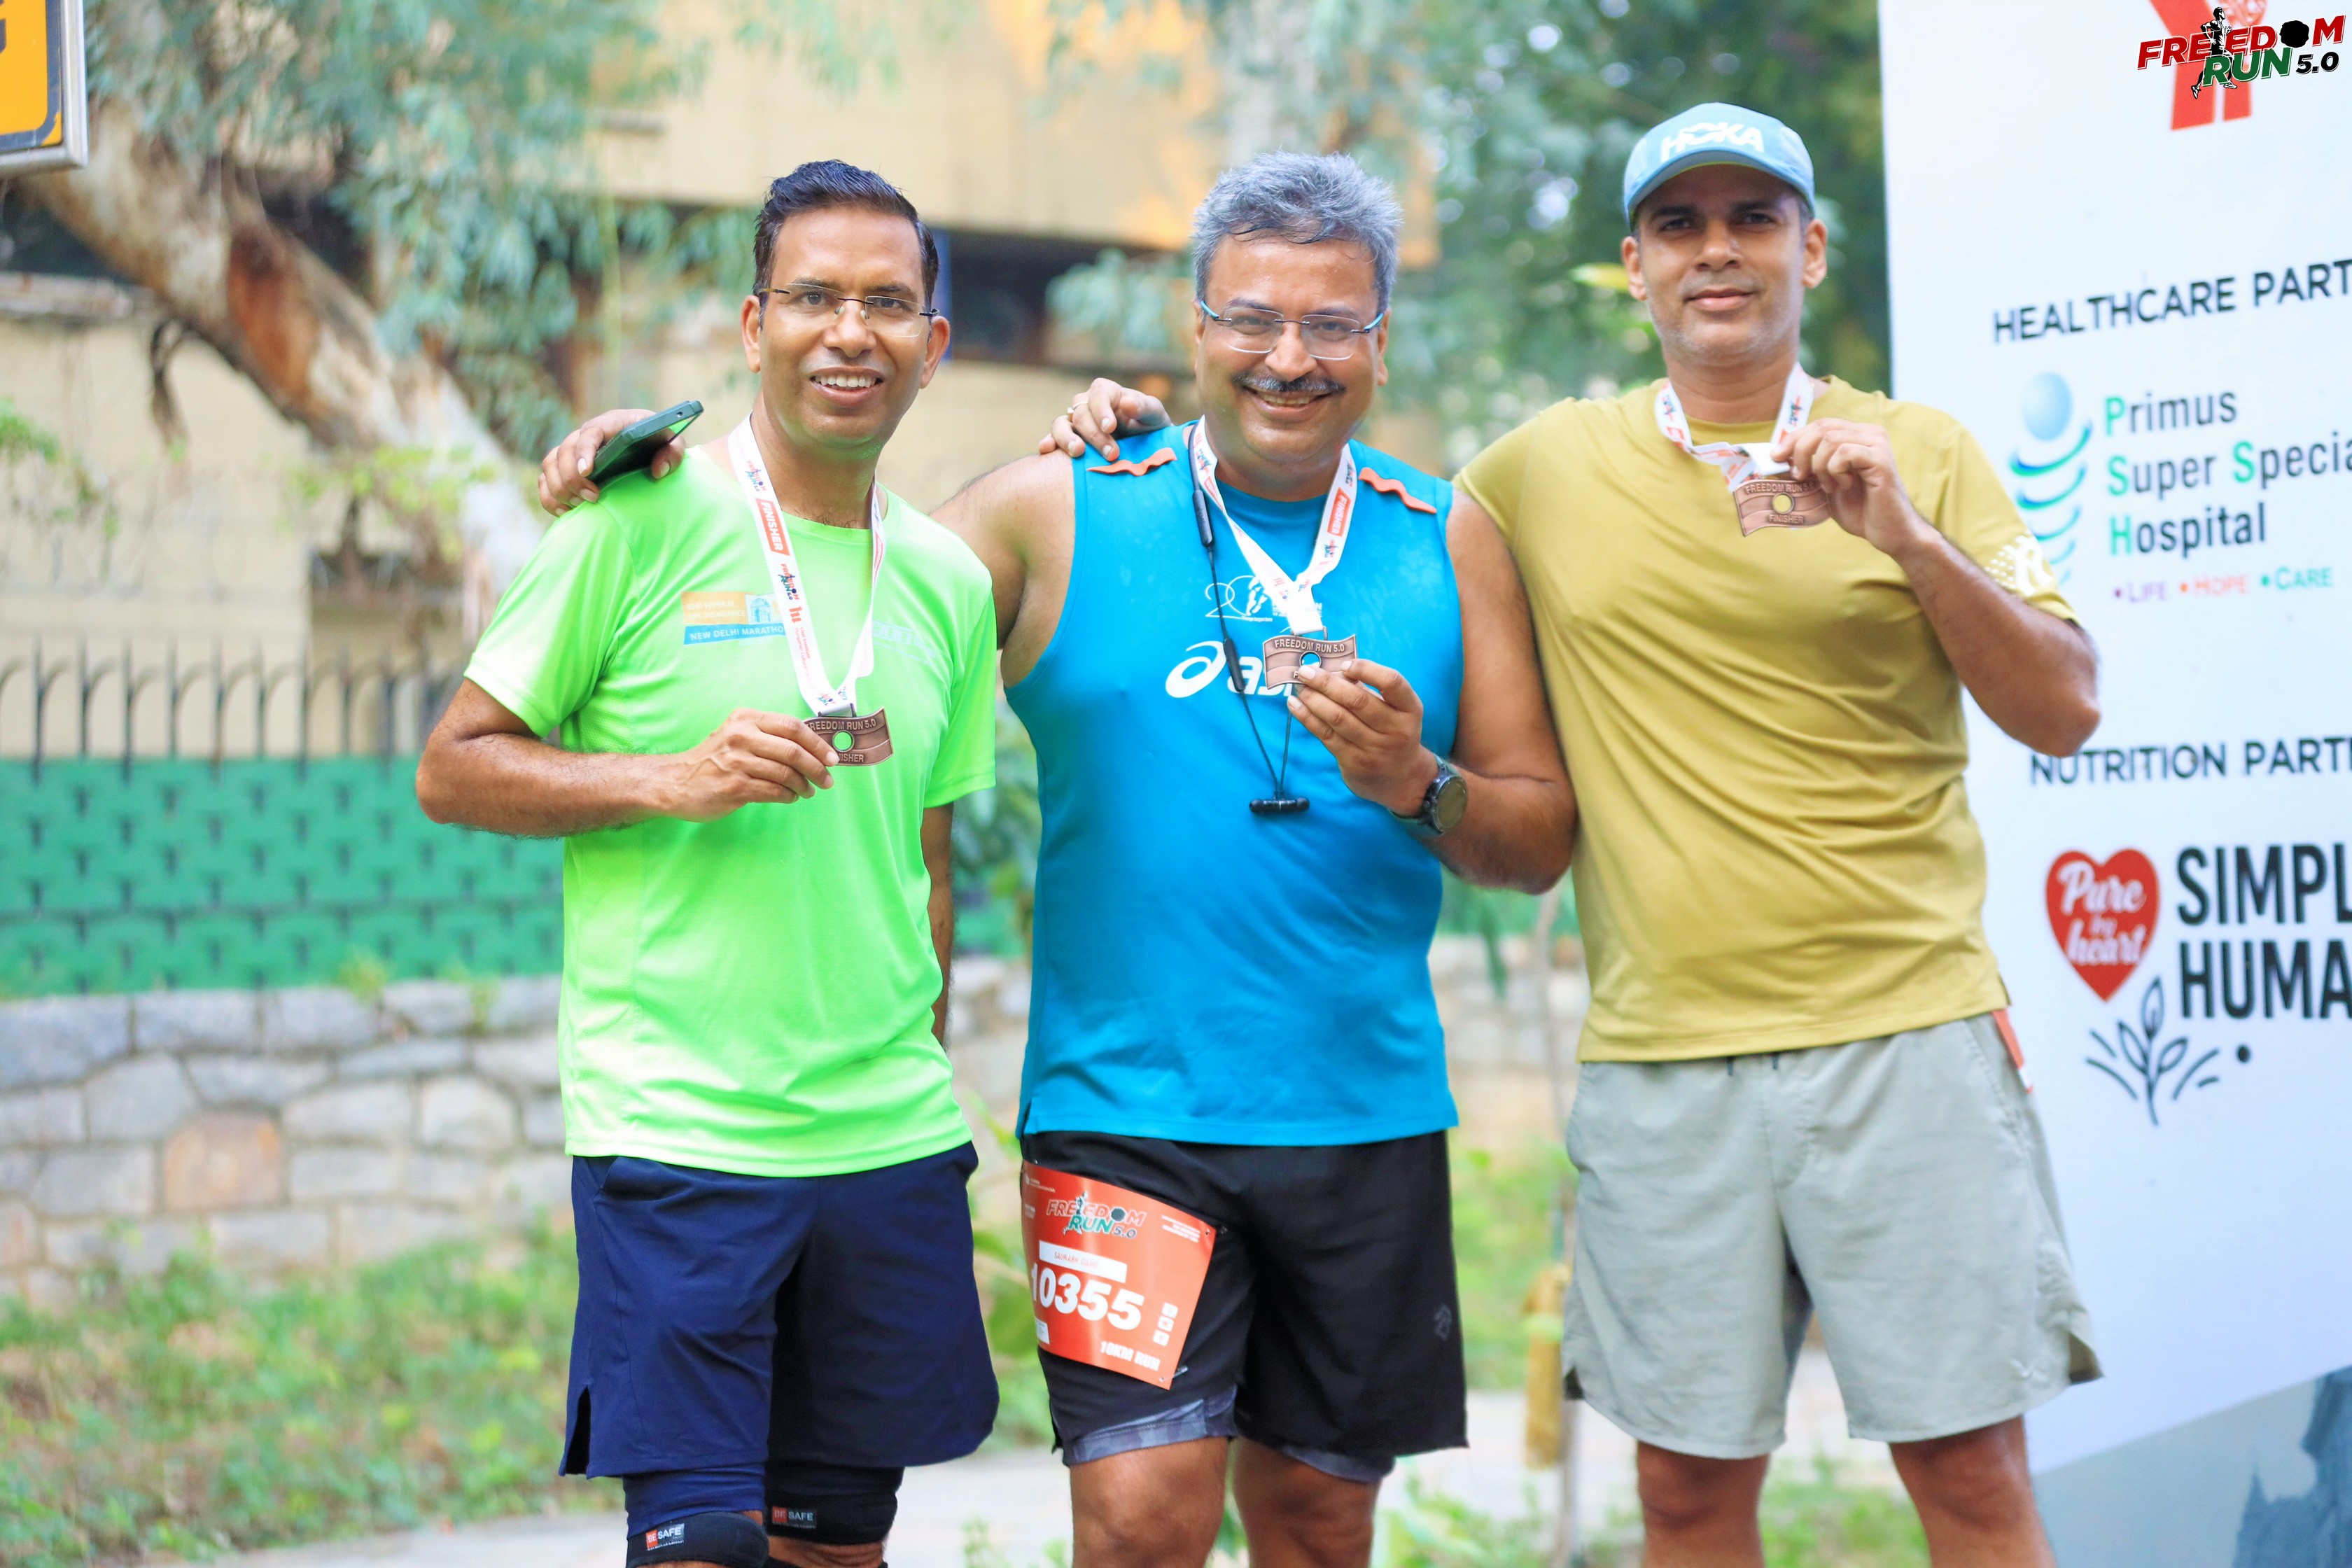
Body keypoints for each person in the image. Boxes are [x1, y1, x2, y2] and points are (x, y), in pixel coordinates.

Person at [1046, 105, 2105, 1568]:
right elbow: (1305, 444)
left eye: (1752, 219)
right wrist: (1128, 428)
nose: (1717, 251)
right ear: (1636, 263)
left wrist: (1909, 541)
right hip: (1663, 1059)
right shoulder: (1534, 474)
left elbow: (2065, 707)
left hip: (1904, 1034)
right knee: (1683, 1498)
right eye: (1680, 224)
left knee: (1972, 1480)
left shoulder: (1919, 449)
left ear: (1811, 247)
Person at [539, 153, 1576, 1568]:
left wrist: (1421, 784)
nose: (1289, 356)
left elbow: (1537, 839)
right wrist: (661, 476)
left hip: (1363, 1114)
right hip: (1122, 1117)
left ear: (1380, 343)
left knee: (1322, 1523)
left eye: (1332, 324)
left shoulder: (1443, 535)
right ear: (1194, 328)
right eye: (1252, 318)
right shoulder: (1063, 505)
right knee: (1141, 1520)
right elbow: (844, 557)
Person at [416, 160, 1002, 1568]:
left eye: (886, 303)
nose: (848, 331)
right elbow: (454, 765)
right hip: (679, 1140)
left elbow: (926, 860)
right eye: (813, 297)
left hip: (883, 1146)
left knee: (837, 1550)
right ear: (753, 326)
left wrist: (908, 1061)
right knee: (703, 1551)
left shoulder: (948, 580)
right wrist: (666, 780)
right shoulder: (633, 522)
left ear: (932, 343)